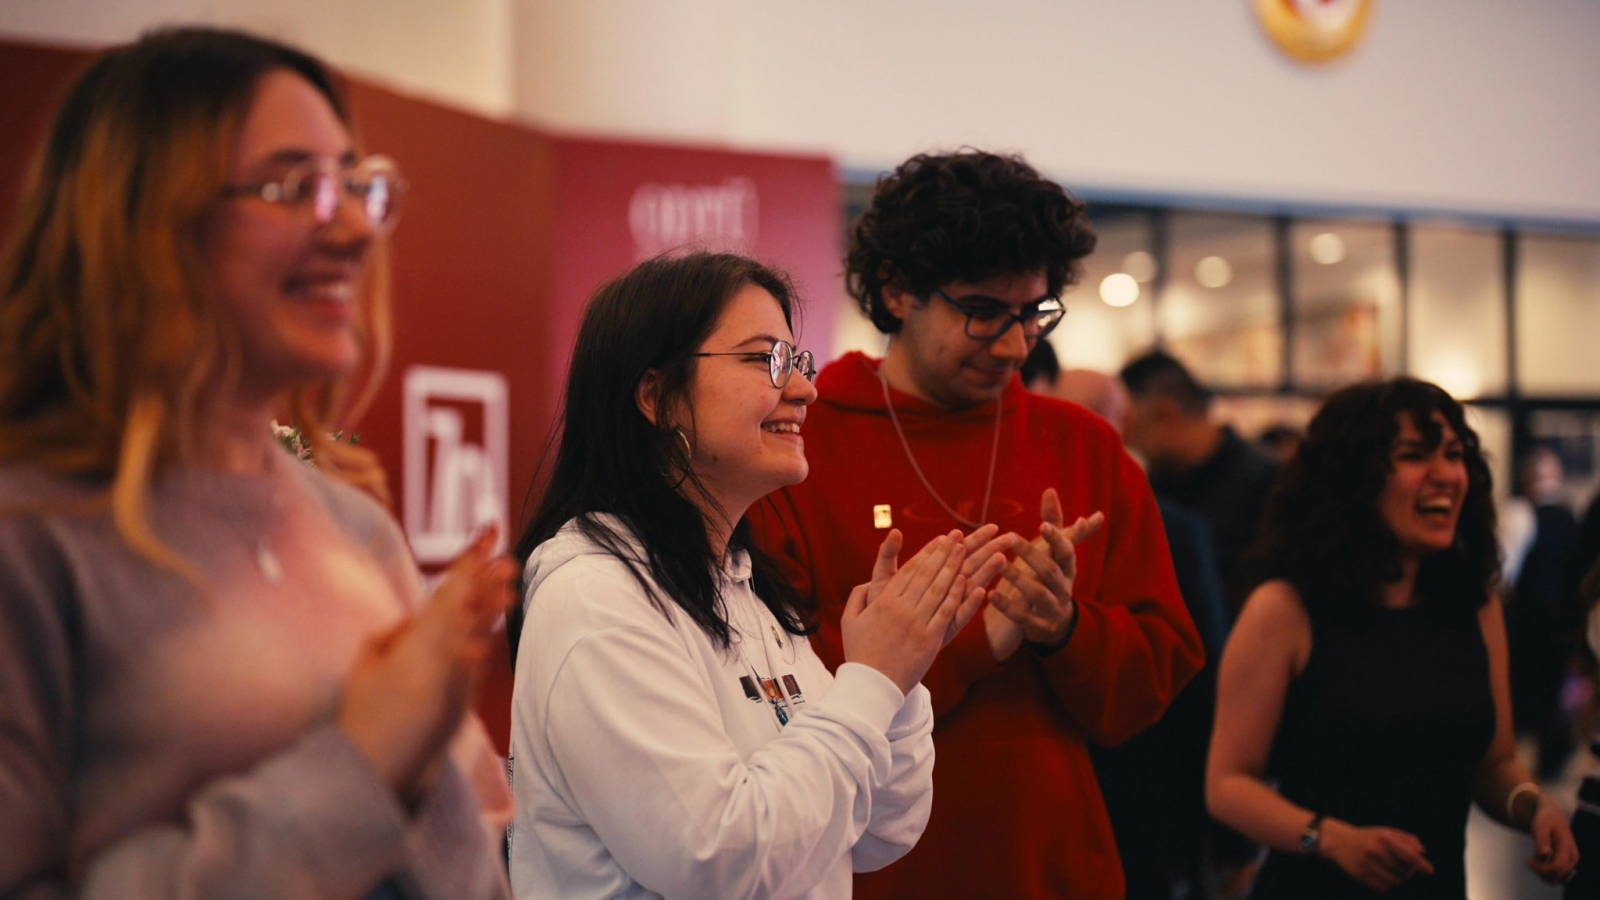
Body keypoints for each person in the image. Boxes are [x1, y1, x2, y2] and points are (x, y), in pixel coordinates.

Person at [0, 28, 516, 899]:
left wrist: (420, 763)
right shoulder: (33, 541)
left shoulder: (356, 529)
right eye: (293, 186)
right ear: (144, 221)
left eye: (357, 185)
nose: (351, 229)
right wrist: (361, 764)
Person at [751, 150, 1204, 899]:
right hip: (864, 870)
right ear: (897, 289)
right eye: (984, 311)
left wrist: (1064, 628)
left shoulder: (1084, 446)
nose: (1016, 344)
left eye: (1034, 313)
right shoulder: (802, 442)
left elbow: (1150, 686)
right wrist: (970, 641)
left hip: (1053, 865)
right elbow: (765, 685)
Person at [507, 252, 1004, 899]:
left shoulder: (741, 586)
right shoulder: (597, 597)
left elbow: (881, 831)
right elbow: (719, 860)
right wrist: (872, 679)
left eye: (797, 361)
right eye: (765, 359)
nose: (803, 389)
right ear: (656, 396)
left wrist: (899, 677)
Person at [1207, 377, 1580, 898]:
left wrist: (1533, 805)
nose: (1445, 475)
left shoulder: (1475, 606)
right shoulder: (1286, 609)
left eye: (1454, 455)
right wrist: (1327, 837)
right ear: (1353, 478)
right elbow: (1228, 784)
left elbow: (1494, 764)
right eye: (1414, 455)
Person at [1055, 366, 1228, 900]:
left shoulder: (1172, 527)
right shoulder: (1020, 522)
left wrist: (1225, 842)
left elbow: (1202, 684)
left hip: (1152, 804)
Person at [1120, 349, 1278, 616]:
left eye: (1130, 425)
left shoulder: (1269, 484)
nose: (1126, 440)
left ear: (1165, 414)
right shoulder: (1152, 488)